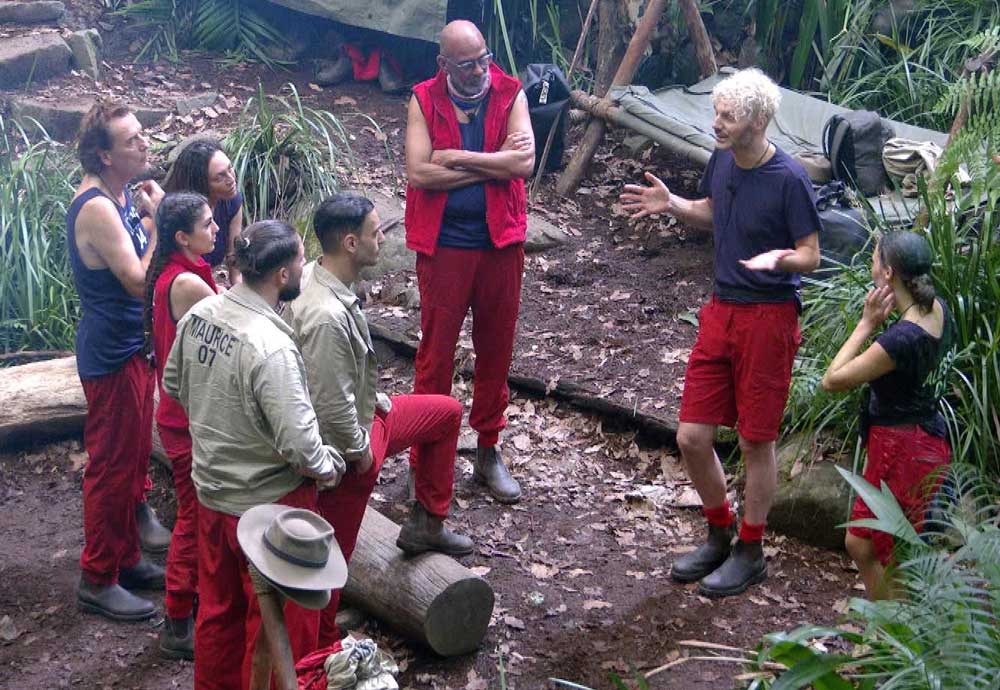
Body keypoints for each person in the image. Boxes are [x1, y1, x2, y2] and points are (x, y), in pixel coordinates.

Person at [620, 68, 821, 597]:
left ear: (757, 120)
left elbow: (812, 254)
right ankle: (719, 530)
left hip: (768, 318)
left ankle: (750, 550)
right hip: (721, 310)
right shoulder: (723, 160)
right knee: (691, 436)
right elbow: (714, 208)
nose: (716, 124)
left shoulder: (790, 178)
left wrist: (780, 259)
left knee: (756, 439)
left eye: (727, 117)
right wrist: (676, 206)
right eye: (716, 113)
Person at [284, 192, 473, 648]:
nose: (383, 237)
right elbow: (330, 406)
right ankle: (322, 647)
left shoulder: (317, 274)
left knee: (445, 414)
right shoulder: (328, 316)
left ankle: (427, 521)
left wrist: (377, 401)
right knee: (334, 556)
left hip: (369, 416)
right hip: (346, 455)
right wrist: (362, 454)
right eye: (376, 231)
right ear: (350, 243)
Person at [163, 220, 345, 690]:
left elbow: (174, 386)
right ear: (283, 274)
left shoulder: (201, 315)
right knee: (275, 629)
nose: (305, 267)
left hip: (213, 498)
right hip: (271, 510)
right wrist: (331, 465)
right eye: (302, 261)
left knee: (218, 613)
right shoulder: (273, 348)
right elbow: (303, 449)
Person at [404, 19, 535, 504]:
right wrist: (489, 163)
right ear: (444, 65)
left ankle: (487, 449)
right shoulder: (423, 97)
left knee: (496, 348)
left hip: (500, 243)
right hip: (444, 246)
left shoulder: (510, 91)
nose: (480, 69)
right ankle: (424, 457)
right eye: (466, 64)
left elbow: (522, 163)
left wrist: (455, 158)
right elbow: (419, 173)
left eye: (483, 58)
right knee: (435, 353)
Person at [69, 101, 171, 622]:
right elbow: (136, 281)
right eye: (132, 140)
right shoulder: (96, 207)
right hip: (110, 354)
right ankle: (97, 576)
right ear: (105, 155)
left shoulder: (121, 192)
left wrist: (150, 209)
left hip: (133, 347)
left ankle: (127, 557)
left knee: (133, 457)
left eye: (142, 133)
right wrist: (160, 228)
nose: (144, 143)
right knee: (110, 465)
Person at [821, 231, 952, 599]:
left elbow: (832, 380)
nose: (872, 266)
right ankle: (888, 628)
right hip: (924, 439)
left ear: (890, 272)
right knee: (863, 542)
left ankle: (894, 638)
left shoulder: (900, 340)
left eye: (875, 260)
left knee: (887, 549)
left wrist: (867, 324)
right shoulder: (937, 308)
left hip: (901, 449)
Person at [144, 192, 221, 659]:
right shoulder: (186, 283)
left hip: (185, 412)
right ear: (181, 237)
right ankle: (177, 620)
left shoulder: (182, 271)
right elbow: (233, 324)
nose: (216, 229)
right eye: (208, 224)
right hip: (187, 420)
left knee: (201, 516)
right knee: (193, 519)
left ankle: (195, 603)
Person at [164, 138, 244, 285]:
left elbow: (234, 256)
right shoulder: (177, 216)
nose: (231, 179)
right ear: (200, 184)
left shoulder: (232, 200)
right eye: (219, 177)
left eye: (230, 168)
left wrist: (239, 292)